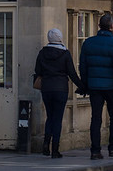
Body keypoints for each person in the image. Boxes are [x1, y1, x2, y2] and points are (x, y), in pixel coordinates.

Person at [79, 14, 113, 160]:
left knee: (96, 118)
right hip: (112, 86)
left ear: (99, 26)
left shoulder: (88, 43)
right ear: (111, 26)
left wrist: (85, 82)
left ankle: (95, 151)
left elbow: (83, 66)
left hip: (94, 86)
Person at [34, 28, 84, 158]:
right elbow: (72, 73)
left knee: (50, 117)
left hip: (46, 88)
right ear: (60, 38)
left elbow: (37, 70)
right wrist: (82, 86)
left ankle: (46, 144)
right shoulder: (65, 53)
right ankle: (55, 149)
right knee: (57, 119)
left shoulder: (42, 53)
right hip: (61, 88)